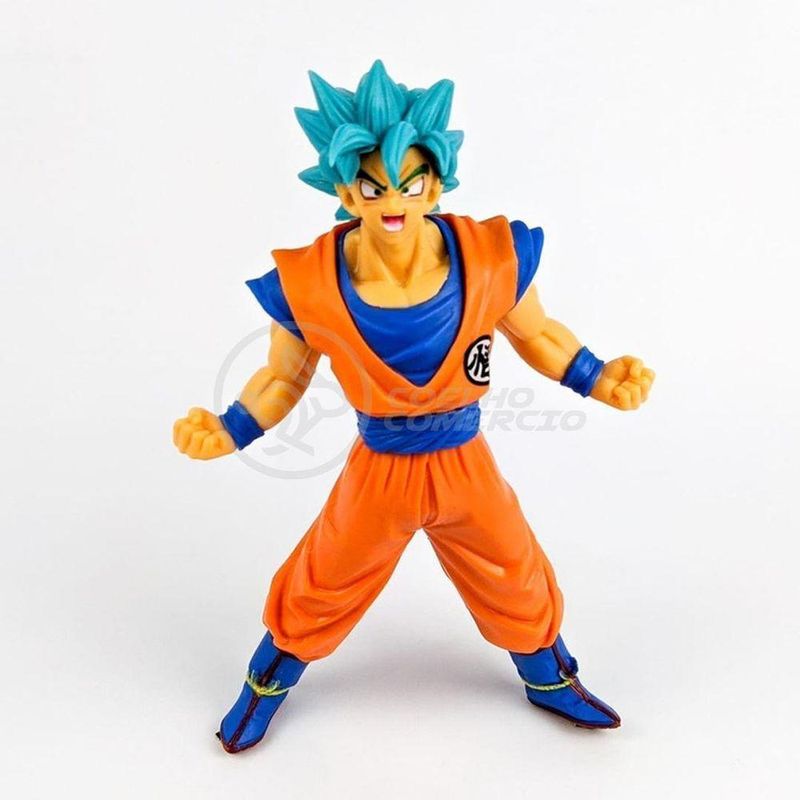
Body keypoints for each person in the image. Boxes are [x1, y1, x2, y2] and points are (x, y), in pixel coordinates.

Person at [173, 60, 655, 754]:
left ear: (438, 181)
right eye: (375, 185)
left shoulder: (489, 258)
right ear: (346, 189)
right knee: (323, 581)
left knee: (512, 568)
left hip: (464, 458)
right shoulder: (311, 282)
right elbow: (281, 378)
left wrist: (598, 376)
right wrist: (229, 429)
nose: (395, 199)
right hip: (380, 467)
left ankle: (549, 678)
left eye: (412, 180)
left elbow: (539, 334)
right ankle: (265, 685)